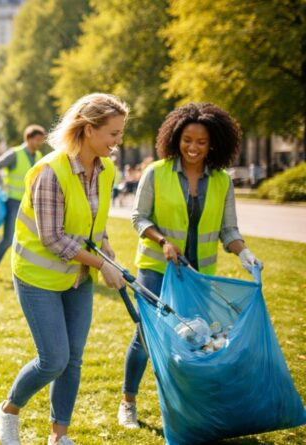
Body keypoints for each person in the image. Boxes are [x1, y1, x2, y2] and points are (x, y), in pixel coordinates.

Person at [0, 93, 129, 445]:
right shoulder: (50, 172)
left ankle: (59, 436)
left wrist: (107, 248)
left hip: (77, 277)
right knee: (53, 359)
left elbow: (92, 221)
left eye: (120, 133)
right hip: (38, 277)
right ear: (87, 129)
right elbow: (53, 239)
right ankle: (8, 409)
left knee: (74, 359)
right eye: (112, 133)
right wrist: (102, 265)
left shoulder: (106, 169)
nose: (118, 141)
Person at [117, 103, 264, 429]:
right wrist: (163, 241)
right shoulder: (157, 172)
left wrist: (243, 252)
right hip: (157, 268)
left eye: (201, 142)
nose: (193, 147)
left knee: (197, 339)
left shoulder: (222, 181)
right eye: (187, 140)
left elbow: (229, 230)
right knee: (146, 335)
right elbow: (139, 217)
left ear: (214, 144)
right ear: (175, 138)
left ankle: (188, 404)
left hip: (198, 275)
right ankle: (128, 401)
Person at [0, 124, 48, 281]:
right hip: (13, 202)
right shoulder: (15, 154)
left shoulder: (39, 156)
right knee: (7, 239)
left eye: (42, 140)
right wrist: (2, 185)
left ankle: (26, 275)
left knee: (32, 240)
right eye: (38, 140)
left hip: (31, 205)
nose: (40, 143)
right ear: (29, 139)